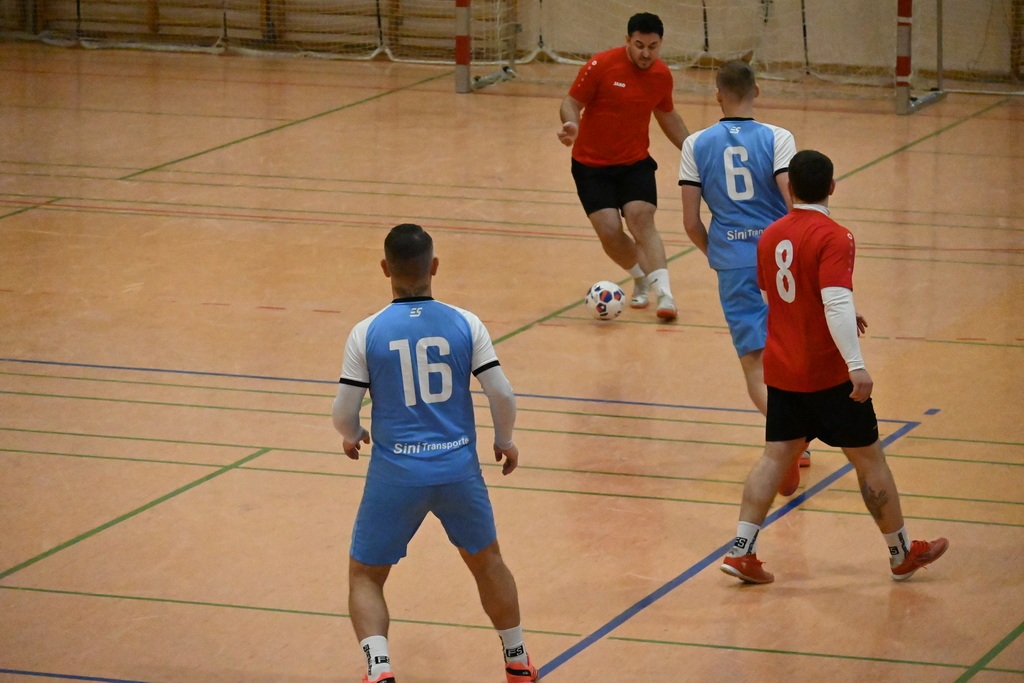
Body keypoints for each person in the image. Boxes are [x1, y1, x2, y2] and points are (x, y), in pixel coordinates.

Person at [719, 150, 949, 585]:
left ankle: (741, 550)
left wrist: (828, 312)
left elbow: (776, 296)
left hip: (783, 371)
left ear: (791, 189)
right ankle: (901, 554)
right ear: (831, 187)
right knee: (870, 460)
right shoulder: (835, 236)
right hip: (827, 375)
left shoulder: (770, 236)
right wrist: (856, 365)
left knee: (774, 457)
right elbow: (835, 301)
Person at [332, 223, 538, 683]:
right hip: (458, 472)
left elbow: (343, 411)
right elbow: (501, 394)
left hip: (395, 475)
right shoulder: (466, 323)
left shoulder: (366, 332)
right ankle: (518, 660)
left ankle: (379, 669)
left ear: (385, 268)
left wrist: (353, 433)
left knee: (365, 576)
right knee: (488, 564)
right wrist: (504, 441)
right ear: (435, 267)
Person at [678, 59, 810, 494]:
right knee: (792, 350)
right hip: (780, 256)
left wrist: (720, 254)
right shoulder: (778, 137)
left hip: (733, 262)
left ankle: (788, 439)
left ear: (718, 94)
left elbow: (691, 222)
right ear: (756, 91)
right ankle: (798, 441)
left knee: (755, 362)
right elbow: (793, 204)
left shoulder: (695, 144)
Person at [558, 11, 689, 321]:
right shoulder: (601, 65)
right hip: (591, 165)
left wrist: (692, 150)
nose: (646, 54)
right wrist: (571, 124)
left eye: (653, 47)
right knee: (610, 232)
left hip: (634, 163)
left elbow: (667, 114)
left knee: (641, 219)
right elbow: (571, 102)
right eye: (639, 45)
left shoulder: (661, 75)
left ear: (660, 44)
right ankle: (640, 277)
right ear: (628, 40)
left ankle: (665, 295)